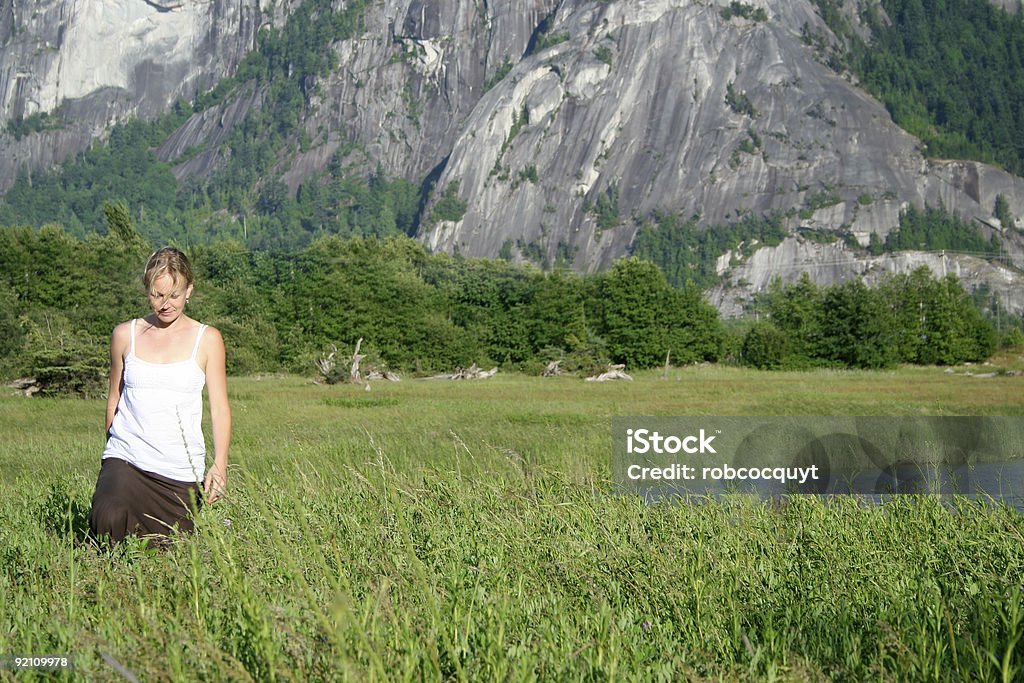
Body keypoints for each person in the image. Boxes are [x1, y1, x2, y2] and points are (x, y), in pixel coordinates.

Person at [90, 247, 231, 545]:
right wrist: (112, 457)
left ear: (189, 290)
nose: (165, 304)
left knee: (167, 548)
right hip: (126, 459)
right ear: (147, 290)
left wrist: (219, 464)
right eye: (157, 295)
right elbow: (114, 397)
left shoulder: (208, 339)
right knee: (109, 518)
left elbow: (219, 408)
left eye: (174, 295)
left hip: (178, 470)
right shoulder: (124, 335)